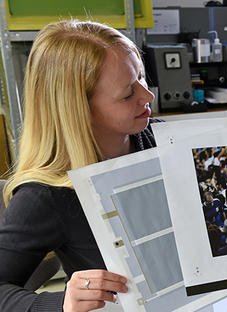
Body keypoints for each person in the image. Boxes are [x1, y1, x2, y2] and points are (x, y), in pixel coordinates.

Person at [0, 20, 155, 310]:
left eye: (142, 78)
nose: (148, 96)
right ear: (78, 108)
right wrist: (61, 303)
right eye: (127, 94)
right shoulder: (45, 195)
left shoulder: (156, 138)